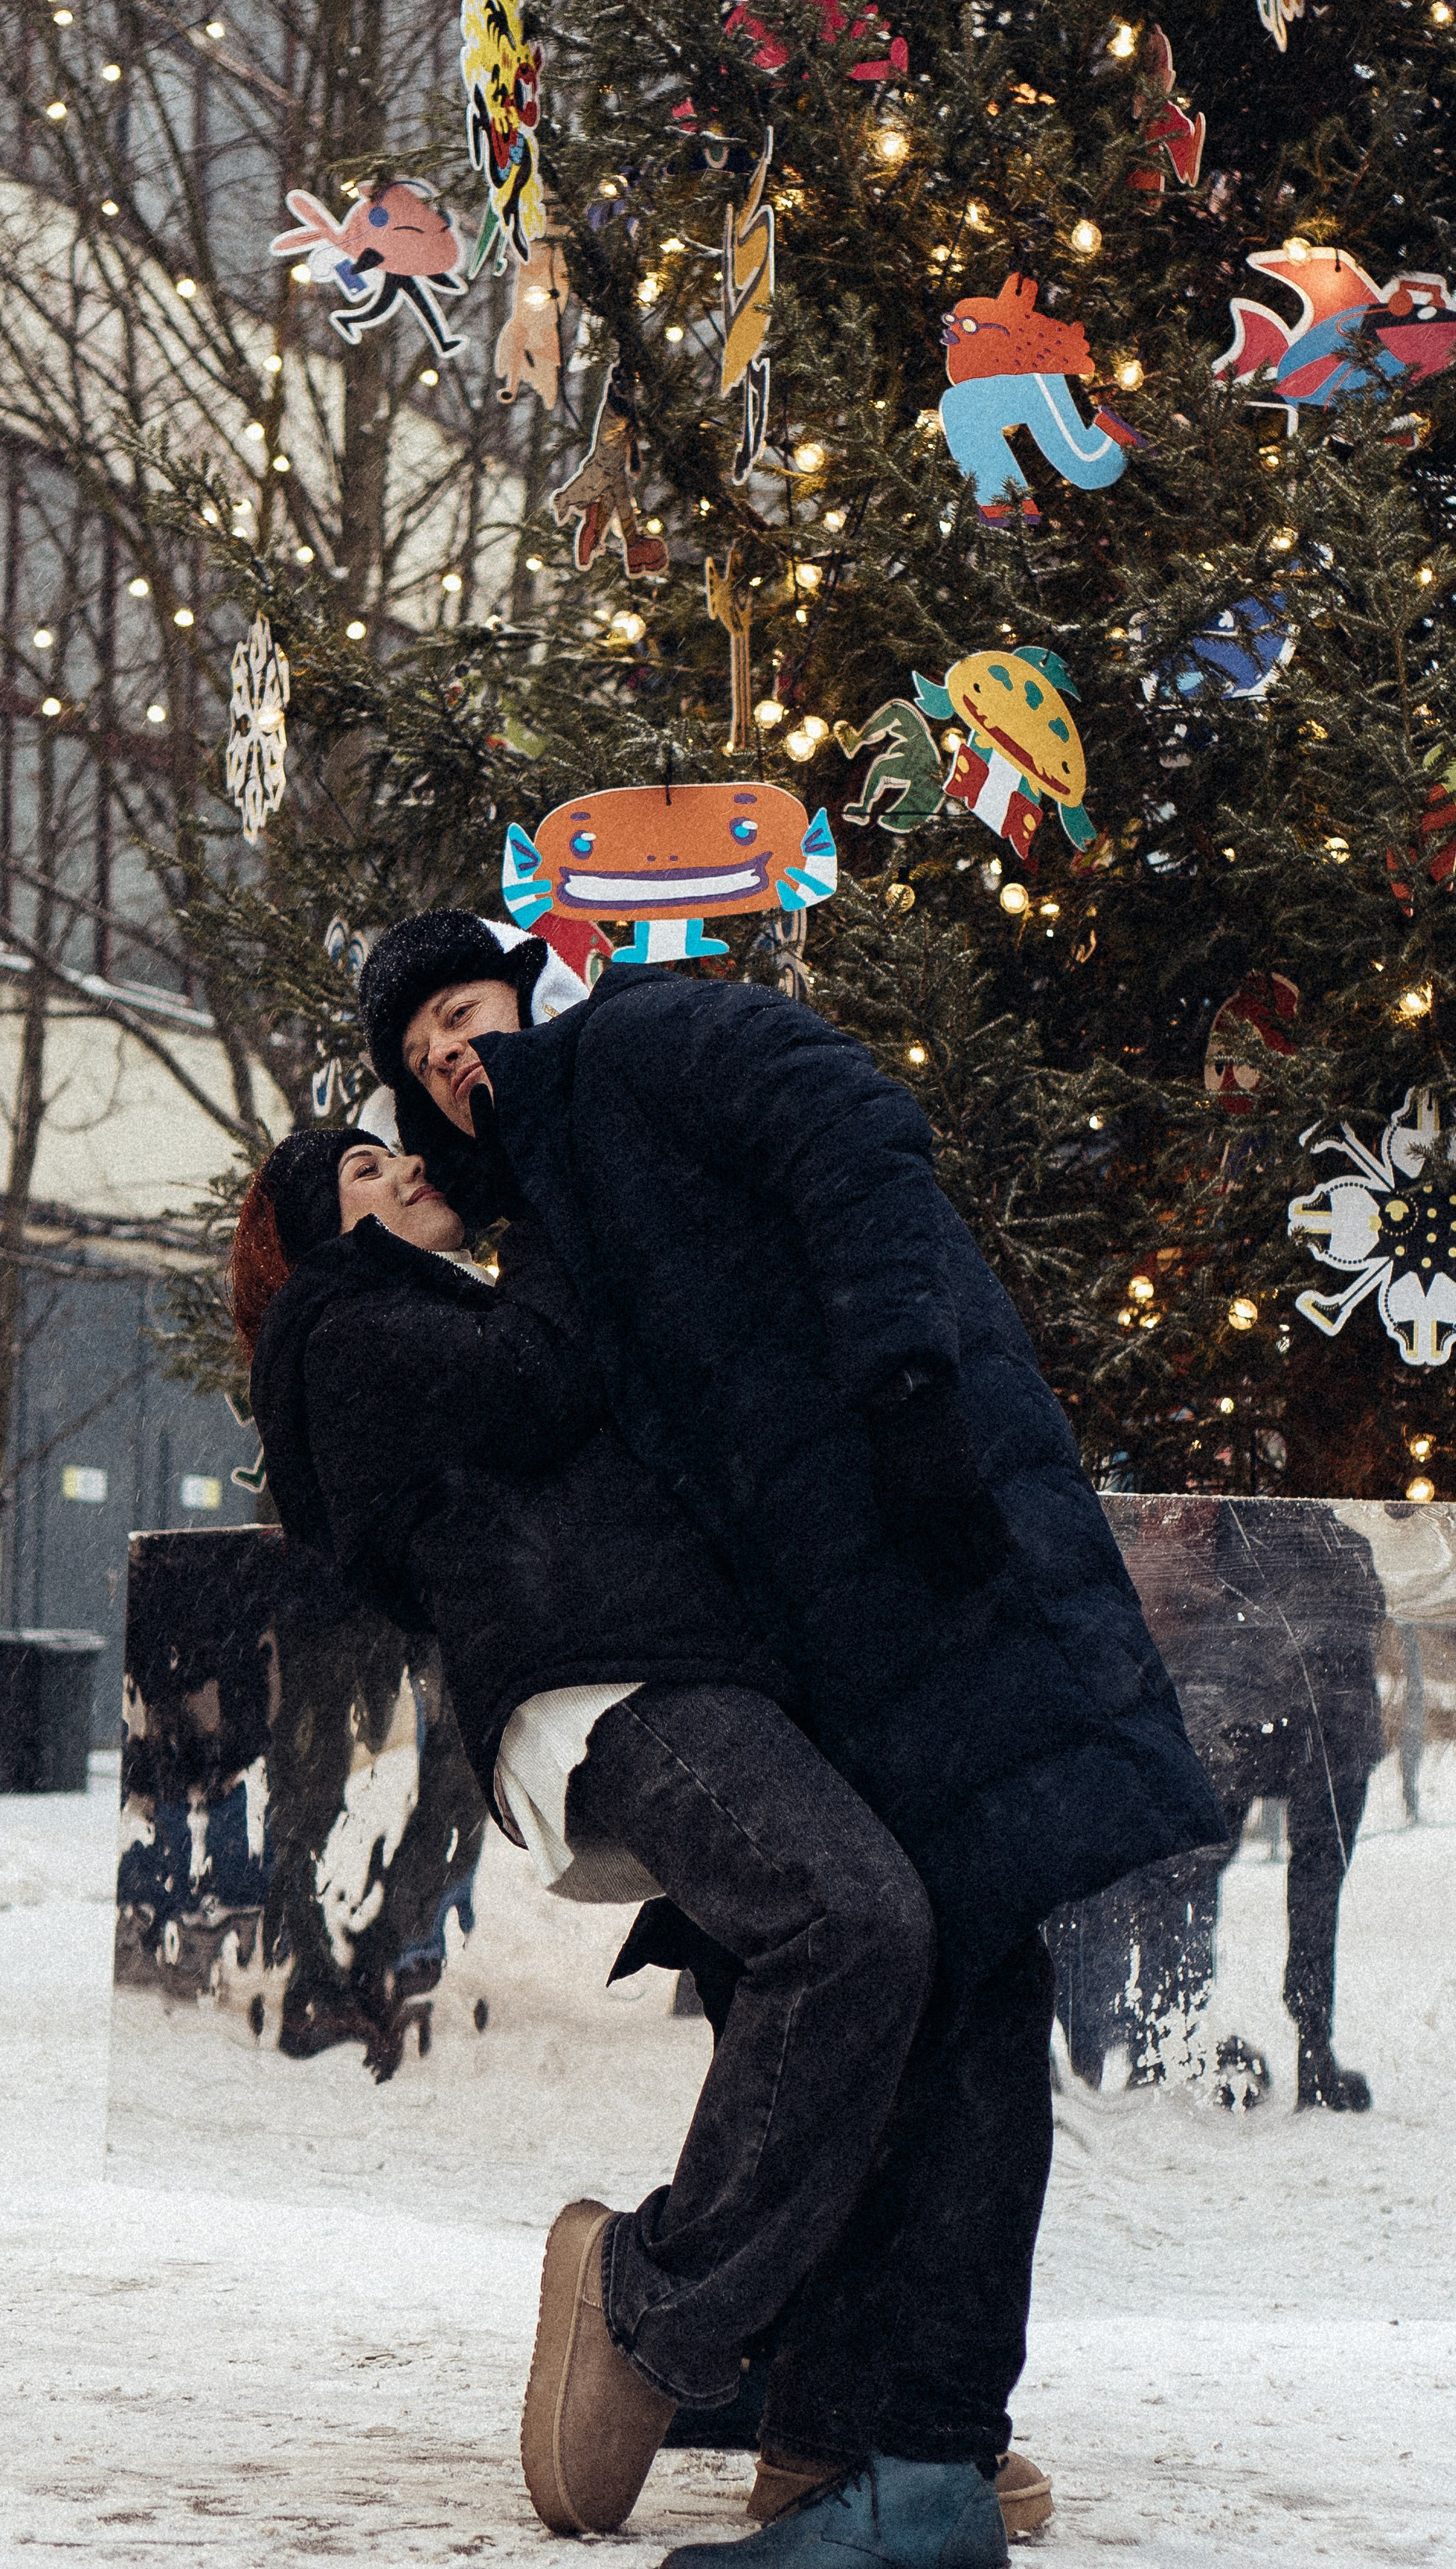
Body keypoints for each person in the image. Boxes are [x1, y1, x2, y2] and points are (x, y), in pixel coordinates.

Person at [354, 911, 1228, 2569]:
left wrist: (906, 1388)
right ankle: (862, 2435)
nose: (450, 1056)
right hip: (844, 1616)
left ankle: (915, 2453)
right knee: (928, 1975)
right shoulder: (557, 1216)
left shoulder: (641, 1040)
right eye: (420, 1060)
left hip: (937, 1543)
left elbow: (854, 1124)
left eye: (461, 1011)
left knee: (965, 1971)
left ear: (531, 990)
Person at [231, 1098, 1055, 2558]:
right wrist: (557, 1193)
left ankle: (814, 2396)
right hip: (609, 1685)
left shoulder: (420, 1312)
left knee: (882, 1957)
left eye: (391, 1148)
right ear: (313, 1241)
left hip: (686, 1673)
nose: (407, 1167)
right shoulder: (341, 1325)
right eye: (363, 1168)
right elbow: (544, 1384)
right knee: (851, 1922)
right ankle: (656, 2297)